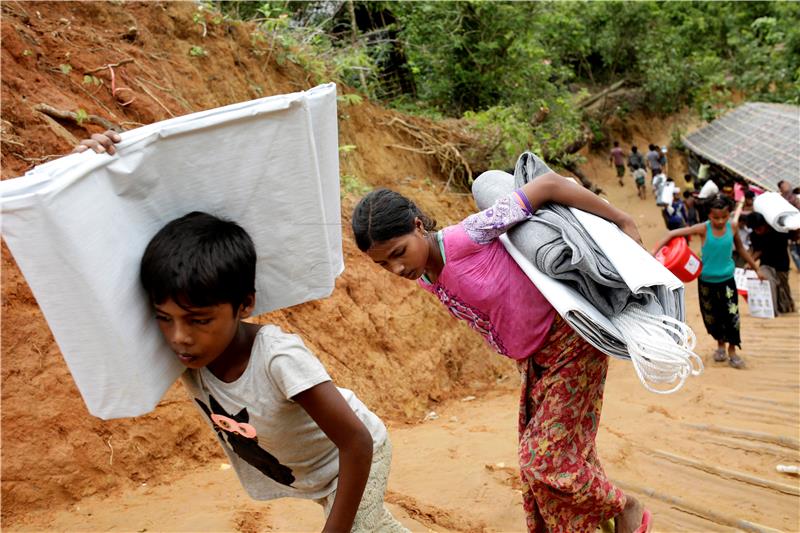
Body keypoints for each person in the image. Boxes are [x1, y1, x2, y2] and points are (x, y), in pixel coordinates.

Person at [77, 133, 408, 533]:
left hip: (352, 458)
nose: (179, 336)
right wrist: (87, 176)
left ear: (245, 304)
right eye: (163, 318)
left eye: (198, 320)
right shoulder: (185, 353)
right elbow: (97, 282)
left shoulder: (278, 359)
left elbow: (356, 442)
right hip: (316, 471)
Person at [351, 172, 652, 533]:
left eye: (398, 253)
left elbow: (549, 186)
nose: (396, 269)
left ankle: (626, 507)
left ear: (418, 226)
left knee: (545, 462)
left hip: (570, 343)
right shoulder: (426, 275)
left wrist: (622, 218)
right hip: (534, 361)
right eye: (383, 264)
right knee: (565, 453)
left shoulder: (468, 235)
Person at [652, 196, 763, 369]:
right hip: (705, 282)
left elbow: (740, 248)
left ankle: (732, 350)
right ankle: (720, 346)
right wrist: (654, 254)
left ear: (729, 215)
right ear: (709, 215)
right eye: (715, 217)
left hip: (727, 281)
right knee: (713, 316)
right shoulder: (703, 228)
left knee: (732, 316)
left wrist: (756, 268)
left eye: (724, 217)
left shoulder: (732, 227)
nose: (720, 221)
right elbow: (671, 234)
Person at [747, 212, 797, 315]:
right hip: (766, 264)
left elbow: (794, 236)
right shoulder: (754, 235)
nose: (757, 231)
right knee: (769, 285)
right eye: (755, 229)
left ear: (764, 224)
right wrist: (750, 262)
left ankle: (786, 307)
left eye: (759, 227)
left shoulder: (779, 232)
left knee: (783, 289)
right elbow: (756, 250)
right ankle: (772, 311)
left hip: (781, 264)